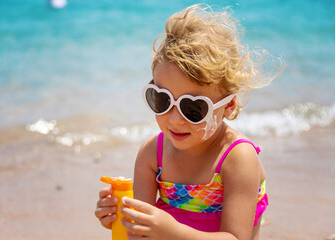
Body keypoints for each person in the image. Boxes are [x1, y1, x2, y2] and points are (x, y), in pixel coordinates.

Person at [95, 4, 280, 240]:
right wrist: (117, 217)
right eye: (162, 99)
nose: (174, 119)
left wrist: (171, 232)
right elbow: (137, 235)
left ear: (228, 106)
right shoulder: (152, 154)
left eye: (193, 108)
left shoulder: (237, 159)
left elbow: (236, 238)